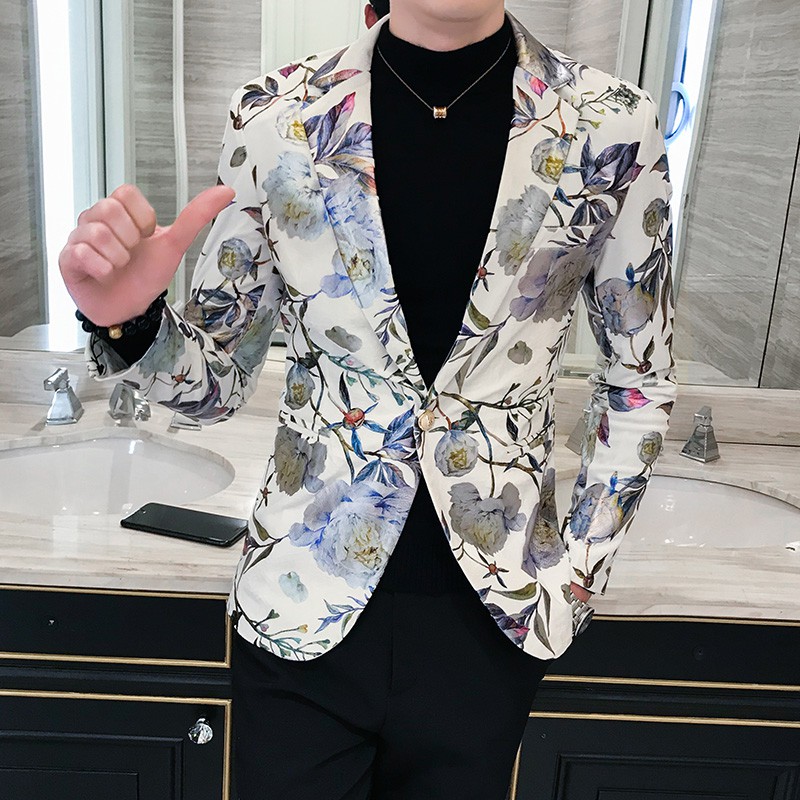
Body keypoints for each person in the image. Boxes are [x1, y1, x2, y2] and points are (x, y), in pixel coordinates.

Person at [58, 1, 677, 797]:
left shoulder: (613, 122)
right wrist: (131, 322)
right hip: (300, 601)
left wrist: (577, 571)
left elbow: (640, 379)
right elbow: (213, 388)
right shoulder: (274, 115)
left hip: (494, 613)